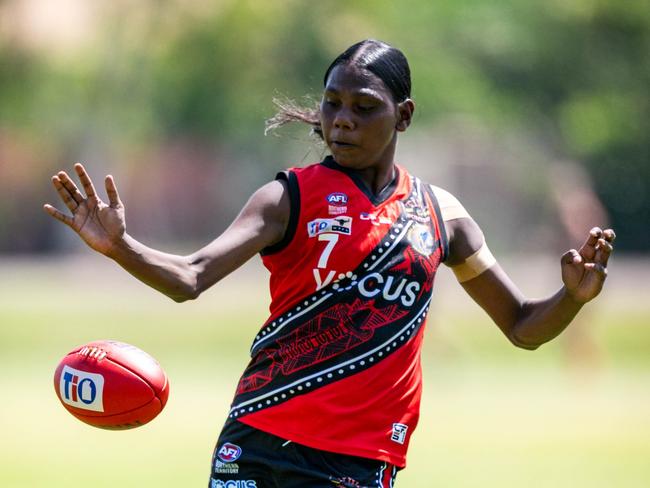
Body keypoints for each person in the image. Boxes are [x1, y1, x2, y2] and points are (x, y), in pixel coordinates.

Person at [44, 39, 615, 488]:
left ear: (405, 115)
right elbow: (190, 279)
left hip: (359, 460)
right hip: (257, 437)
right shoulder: (286, 197)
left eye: (364, 108)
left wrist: (572, 297)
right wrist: (121, 246)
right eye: (332, 103)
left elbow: (522, 328)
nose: (342, 120)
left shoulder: (444, 217)